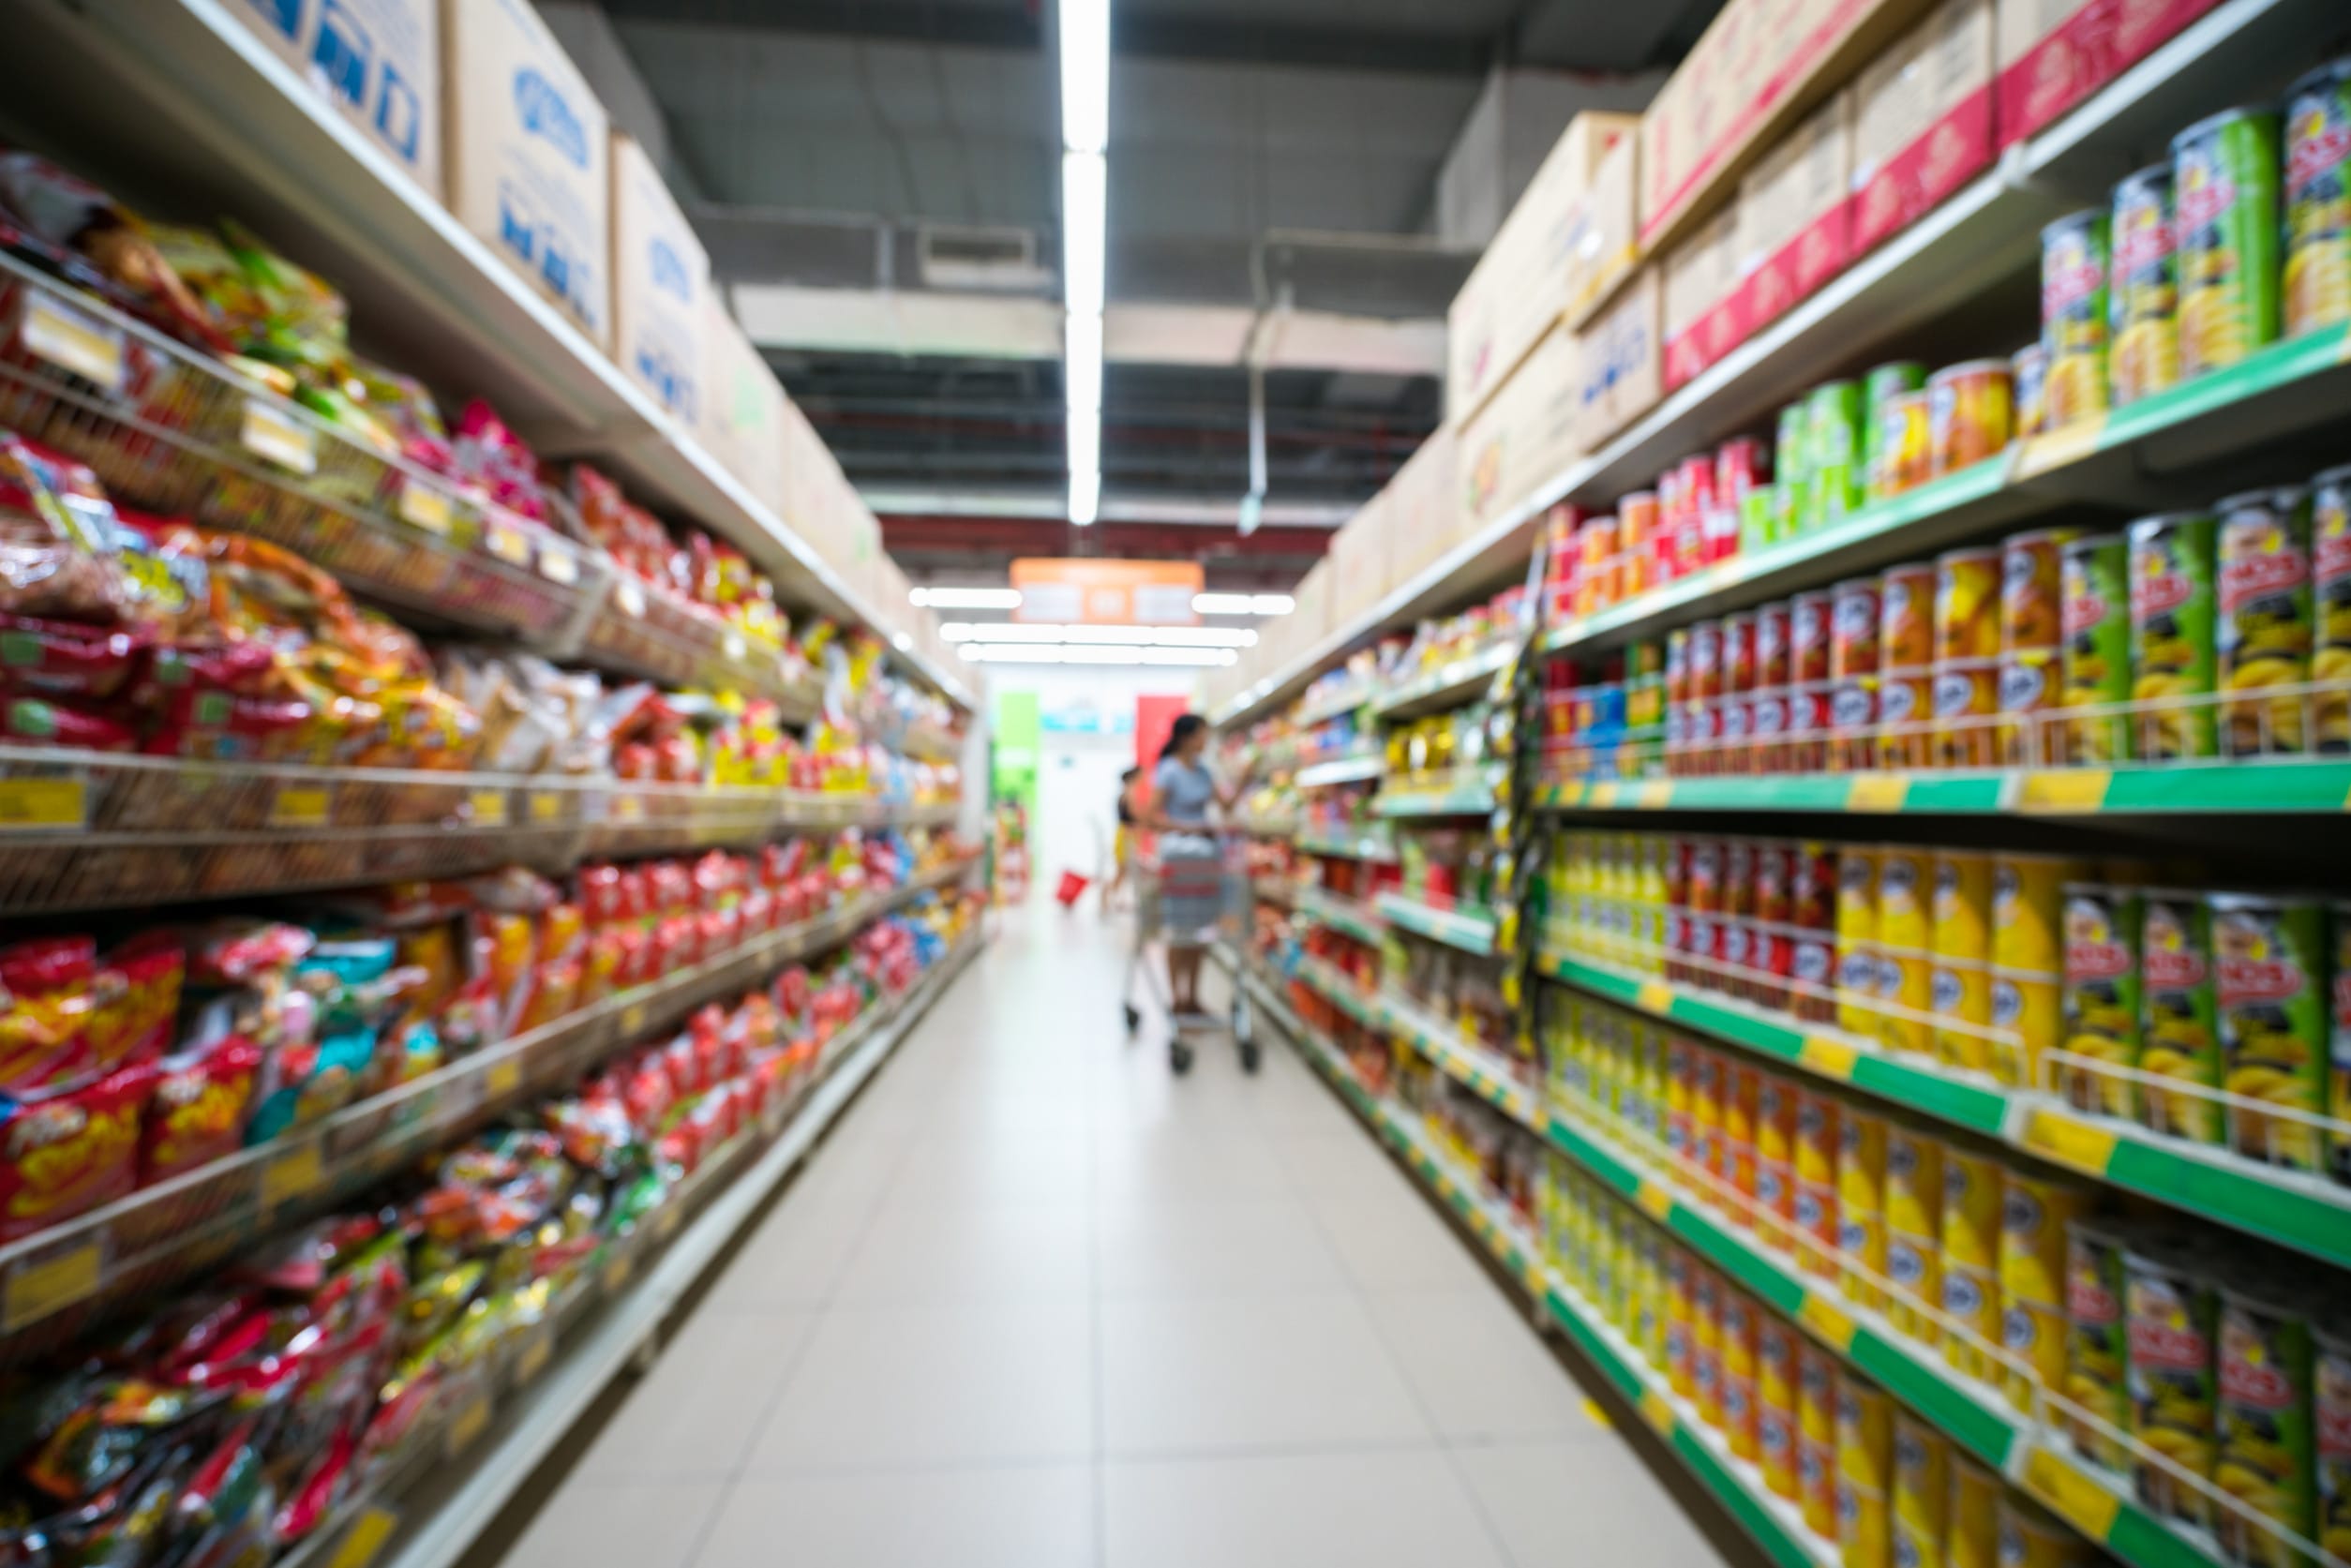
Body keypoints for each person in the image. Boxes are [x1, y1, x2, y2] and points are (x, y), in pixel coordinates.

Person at [1146, 713, 1243, 1017]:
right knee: (1179, 931)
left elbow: (1226, 806)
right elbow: (1151, 817)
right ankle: (1177, 998)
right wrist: (1189, 828)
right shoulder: (1169, 771)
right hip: (1179, 863)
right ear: (1187, 737)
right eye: (1203, 735)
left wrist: (1246, 777)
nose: (1207, 741)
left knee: (1201, 932)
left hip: (1206, 863)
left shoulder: (1204, 771)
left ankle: (1194, 998)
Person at [1105, 766, 1144, 910]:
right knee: (1122, 870)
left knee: (1124, 871)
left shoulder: (1125, 793)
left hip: (1126, 834)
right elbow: (1134, 815)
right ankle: (1107, 896)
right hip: (1127, 835)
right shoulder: (1129, 793)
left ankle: (1115, 898)